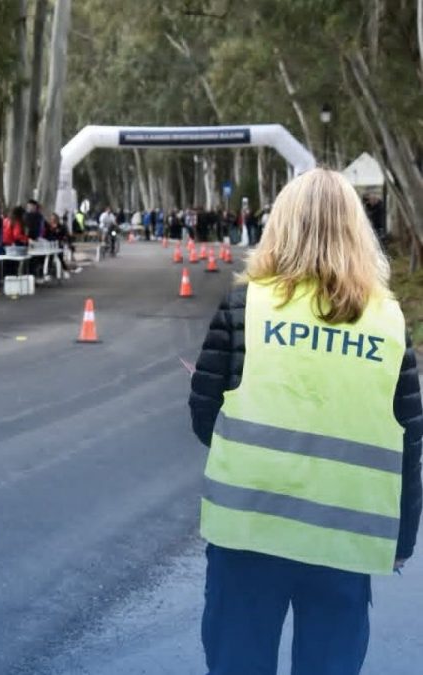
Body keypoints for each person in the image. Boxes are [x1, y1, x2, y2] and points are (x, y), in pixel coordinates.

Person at [189, 168, 423, 675]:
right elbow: (409, 441)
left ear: (280, 226)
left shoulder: (244, 306)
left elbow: (205, 418)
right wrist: (403, 540)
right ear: (357, 232)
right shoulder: (388, 322)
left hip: (249, 529)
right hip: (343, 540)